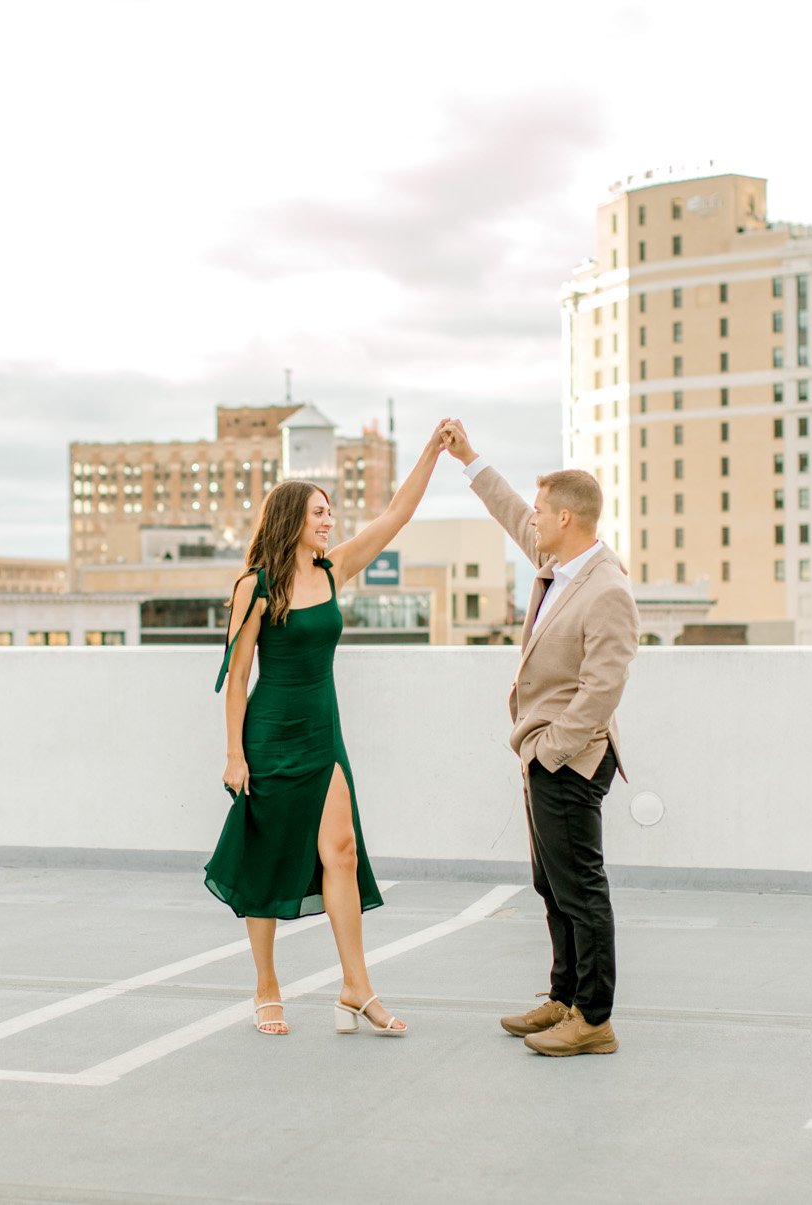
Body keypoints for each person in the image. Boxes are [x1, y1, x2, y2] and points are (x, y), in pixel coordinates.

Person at [204, 419, 455, 1037]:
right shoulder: (255, 588)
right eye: (320, 512)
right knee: (264, 859)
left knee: (340, 852)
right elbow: (236, 679)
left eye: (332, 512)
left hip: (323, 733)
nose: (330, 521)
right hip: (268, 736)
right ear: (292, 517)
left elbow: (395, 515)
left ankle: (355, 987)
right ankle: (266, 986)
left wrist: (431, 451)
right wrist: (235, 755)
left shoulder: (334, 570)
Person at [442, 420, 638, 1057]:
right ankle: (563, 998)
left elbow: (603, 688)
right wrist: (469, 456)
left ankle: (594, 1018)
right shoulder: (560, 562)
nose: (532, 520)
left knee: (582, 890)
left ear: (566, 517)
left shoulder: (607, 587)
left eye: (541, 512)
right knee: (551, 886)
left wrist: (552, 751)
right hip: (543, 755)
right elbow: (507, 510)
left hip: (571, 759)